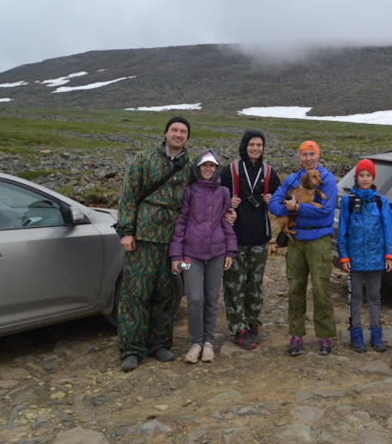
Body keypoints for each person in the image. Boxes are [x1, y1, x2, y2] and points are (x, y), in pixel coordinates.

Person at [116, 116, 195, 372]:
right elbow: (128, 194)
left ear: (187, 137)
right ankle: (132, 348)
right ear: (165, 134)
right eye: (174, 130)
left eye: (183, 132)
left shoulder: (189, 166)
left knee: (165, 293)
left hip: (172, 241)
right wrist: (126, 231)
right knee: (136, 294)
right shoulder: (144, 159)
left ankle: (159, 343)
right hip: (143, 238)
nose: (178, 135)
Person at [268, 140, 339, 356]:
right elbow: (273, 204)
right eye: (304, 154)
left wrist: (297, 208)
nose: (308, 158)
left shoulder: (327, 179)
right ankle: (296, 335)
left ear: (318, 156)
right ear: (300, 157)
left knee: (321, 288)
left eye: (312, 154)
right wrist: (284, 206)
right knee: (296, 287)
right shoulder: (292, 179)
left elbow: (326, 211)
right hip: (296, 240)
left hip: (319, 239)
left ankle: (325, 336)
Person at [169, 150, 238, 363]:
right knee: (195, 299)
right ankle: (196, 342)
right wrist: (176, 255)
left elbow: (226, 223)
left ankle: (208, 342)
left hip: (217, 252)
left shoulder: (224, 193)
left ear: (216, 168)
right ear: (198, 168)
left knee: (211, 300)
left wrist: (230, 251)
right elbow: (180, 224)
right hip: (190, 255)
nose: (207, 169)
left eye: (211, 166)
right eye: (203, 166)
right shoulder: (189, 192)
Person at [219, 130, 282, 349]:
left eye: (259, 145)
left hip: (260, 237)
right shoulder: (230, 171)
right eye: (252, 144)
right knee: (235, 284)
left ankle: (253, 322)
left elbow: (281, 199)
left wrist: (272, 198)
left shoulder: (269, 172)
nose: (255, 148)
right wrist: (227, 204)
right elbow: (214, 197)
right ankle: (239, 327)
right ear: (244, 146)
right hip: (235, 238)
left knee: (255, 284)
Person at [337, 159, 392, 353]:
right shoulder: (347, 201)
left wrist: (389, 254)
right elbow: (342, 231)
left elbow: (389, 230)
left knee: (374, 296)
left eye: (368, 175)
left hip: (376, 258)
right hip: (354, 259)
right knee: (355, 297)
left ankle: (376, 333)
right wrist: (344, 256)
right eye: (361, 175)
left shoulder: (381, 201)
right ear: (356, 177)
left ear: (373, 177)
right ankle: (356, 333)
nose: (364, 179)